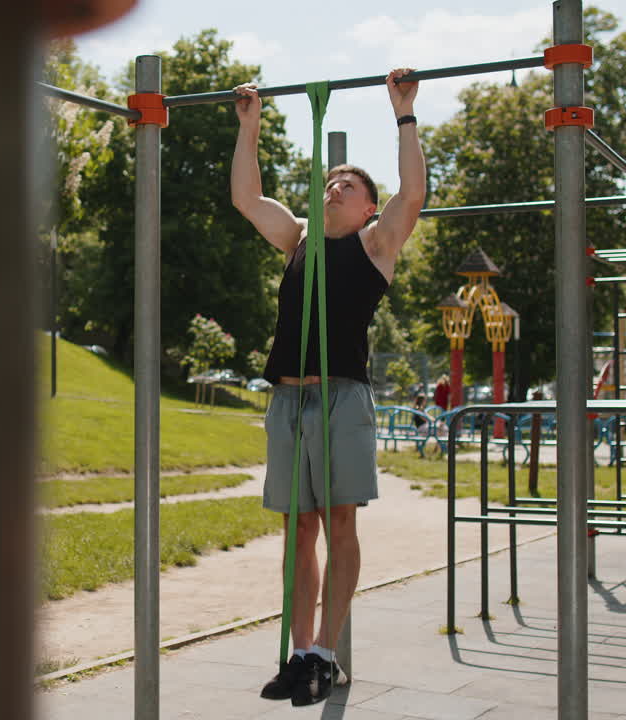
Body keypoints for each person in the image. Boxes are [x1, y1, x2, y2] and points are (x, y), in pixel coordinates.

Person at [231, 68, 426, 706]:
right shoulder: (298, 239)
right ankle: (298, 651)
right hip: (288, 397)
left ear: (368, 207)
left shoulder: (375, 244)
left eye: (350, 184)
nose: (336, 184)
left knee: (340, 519)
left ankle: (326, 652)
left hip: (342, 396)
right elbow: (247, 199)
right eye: (332, 179)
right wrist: (250, 127)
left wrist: (403, 112)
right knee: (298, 528)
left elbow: (414, 193)